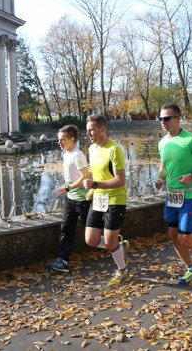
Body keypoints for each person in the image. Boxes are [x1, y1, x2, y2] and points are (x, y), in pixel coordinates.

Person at [154, 103, 192, 285]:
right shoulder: (162, 142)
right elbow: (164, 166)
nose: (163, 122)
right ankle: (191, 269)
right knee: (174, 235)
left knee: (185, 237)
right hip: (171, 195)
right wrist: (160, 178)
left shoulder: (190, 140)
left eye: (166, 118)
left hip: (189, 195)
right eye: (160, 119)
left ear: (177, 118)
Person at [82, 114, 130, 287]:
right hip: (99, 198)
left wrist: (95, 184)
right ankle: (119, 247)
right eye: (87, 130)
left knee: (110, 242)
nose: (88, 133)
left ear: (103, 129)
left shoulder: (114, 149)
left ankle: (122, 270)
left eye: (92, 130)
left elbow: (121, 180)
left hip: (115, 198)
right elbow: (97, 172)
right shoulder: (92, 149)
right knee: (91, 240)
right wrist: (93, 190)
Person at [47, 125, 91, 273]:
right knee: (66, 229)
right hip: (70, 199)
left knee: (93, 233)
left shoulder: (77, 155)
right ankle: (63, 261)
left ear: (72, 140)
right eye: (58, 140)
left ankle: (117, 245)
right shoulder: (67, 154)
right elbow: (72, 178)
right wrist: (67, 186)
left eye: (62, 140)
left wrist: (68, 188)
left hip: (82, 200)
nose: (59, 143)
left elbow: (84, 177)